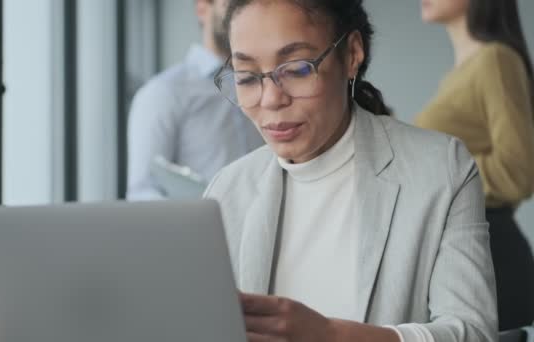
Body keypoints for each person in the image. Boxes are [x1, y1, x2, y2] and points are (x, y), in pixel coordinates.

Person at [204, 0, 497, 341]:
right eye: (247, 77)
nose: (270, 99)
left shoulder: (441, 169)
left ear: (352, 54)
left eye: (297, 69)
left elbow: (475, 333)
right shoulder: (227, 190)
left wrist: (332, 335)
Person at [416, 0, 534, 331]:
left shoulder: (495, 60)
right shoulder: (460, 73)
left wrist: (437, 178)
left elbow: (518, 171)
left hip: (490, 255)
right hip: (463, 256)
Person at [126, 0, 263, 200]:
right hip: (207, 227)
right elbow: (143, 193)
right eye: (230, 6)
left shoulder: (268, 82)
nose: (241, 15)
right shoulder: (164, 92)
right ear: (202, 9)